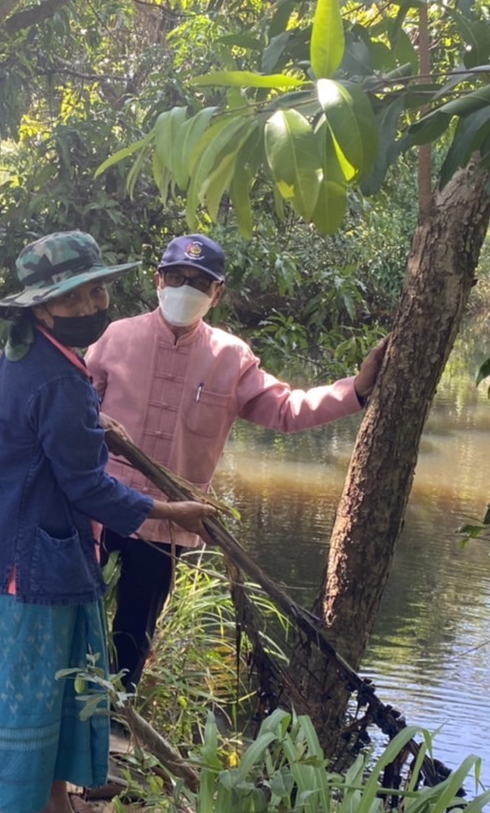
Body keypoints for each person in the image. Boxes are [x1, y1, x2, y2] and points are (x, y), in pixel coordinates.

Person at [0, 231, 210, 813]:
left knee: (64, 678)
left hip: (30, 546)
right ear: (44, 308)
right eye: (80, 294)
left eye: (101, 289)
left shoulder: (36, 357)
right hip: (29, 558)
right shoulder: (55, 378)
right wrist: (170, 514)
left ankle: (55, 809)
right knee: (32, 689)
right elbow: (87, 486)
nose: (97, 302)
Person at [86, 233, 385, 691]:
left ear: (217, 294)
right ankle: (71, 704)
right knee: (78, 609)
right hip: (102, 510)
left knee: (134, 630)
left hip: (167, 524)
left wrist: (357, 390)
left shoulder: (230, 357)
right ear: (158, 280)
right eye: (177, 277)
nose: (185, 289)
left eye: (199, 283)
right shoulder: (115, 338)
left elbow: (286, 409)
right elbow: (76, 413)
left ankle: (118, 715)